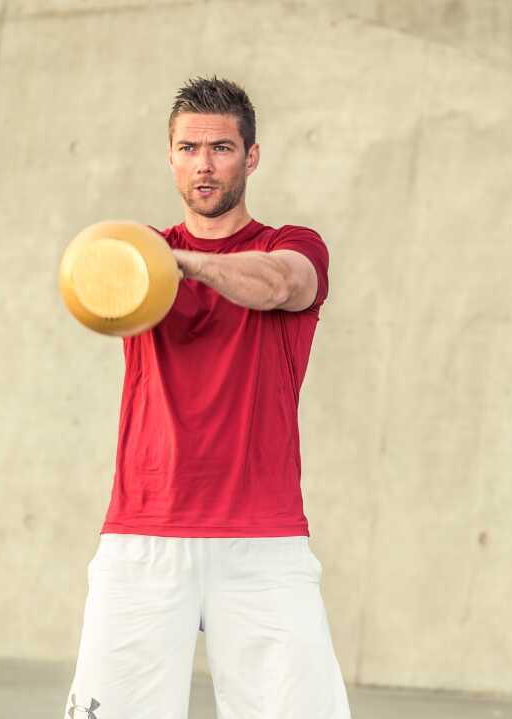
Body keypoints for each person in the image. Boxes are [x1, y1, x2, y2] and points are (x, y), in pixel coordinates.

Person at [64, 76, 351, 719]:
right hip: (145, 532)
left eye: (221, 148)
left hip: (262, 539)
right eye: (188, 148)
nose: (204, 164)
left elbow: (282, 286)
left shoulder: (291, 246)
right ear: (169, 157)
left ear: (251, 156)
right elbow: (99, 279)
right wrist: (150, 260)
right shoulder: (141, 254)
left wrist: (184, 263)